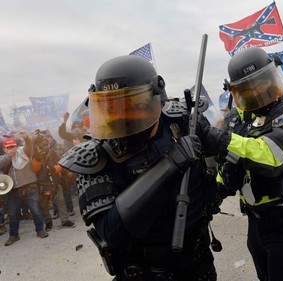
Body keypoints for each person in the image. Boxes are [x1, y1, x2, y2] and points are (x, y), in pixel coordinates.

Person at [59, 55, 219, 280]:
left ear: (154, 99)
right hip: (145, 272)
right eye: (112, 108)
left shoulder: (181, 122)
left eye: (131, 106)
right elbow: (111, 232)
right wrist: (171, 164)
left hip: (199, 261)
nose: (122, 116)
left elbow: (225, 151)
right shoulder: (95, 155)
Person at [196, 47, 283, 280]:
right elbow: (227, 168)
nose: (259, 91)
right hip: (255, 223)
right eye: (249, 88)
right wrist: (210, 194)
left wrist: (220, 139)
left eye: (263, 82)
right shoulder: (234, 120)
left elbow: (271, 156)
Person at [0, 132, 48, 246]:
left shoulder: (24, 152)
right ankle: (13, 235)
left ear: (17, 146)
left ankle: (40, 230)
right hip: (13, 190)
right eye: (8, 147)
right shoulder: (3, 158)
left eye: (13, 146)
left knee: (36, 210)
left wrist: (27, 138)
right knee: (13, 214)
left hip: (30, 186)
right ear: (4, 148)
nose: (11, 149)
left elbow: (29, 147)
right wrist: (8, 156)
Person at [32, 130, 75, 231]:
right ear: (38, 145)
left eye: (46, 144)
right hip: (42, 184)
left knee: (61, 201)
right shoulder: (35, 156)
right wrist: (37, 159)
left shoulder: (52, 153)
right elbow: (34, 169)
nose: (45, 146)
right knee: (44, 206)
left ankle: (65, 221)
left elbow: (60, 162)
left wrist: (57, 168)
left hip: (54, 182)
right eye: (42, 145)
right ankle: (48, 222)